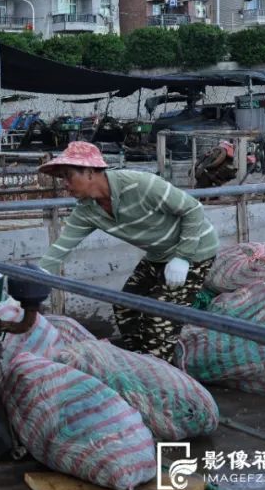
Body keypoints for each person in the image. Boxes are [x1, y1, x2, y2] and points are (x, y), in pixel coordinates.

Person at [37, 141, 218, 362]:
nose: (65, 184)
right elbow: (61, 247)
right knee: (124, 305)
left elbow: (192, 209)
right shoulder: (87, 209)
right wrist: (32, 276)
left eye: (68, 176)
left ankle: (161, 374)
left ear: (90, 172)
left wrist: (183, 257)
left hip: (195, 251)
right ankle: (140, 360)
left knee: (159, 317)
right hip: (159, 254)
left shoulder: (142, 184)